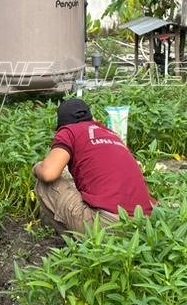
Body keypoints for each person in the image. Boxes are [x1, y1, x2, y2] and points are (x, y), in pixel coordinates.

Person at [32, 99, 154, 234]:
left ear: (62, 125)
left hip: (108, 226)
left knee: (44, 181)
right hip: (144, 224)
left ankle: (76, 242)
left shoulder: (69, 131)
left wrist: (37, 168)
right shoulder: (112, 135)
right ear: (92, 118)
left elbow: (49, 173)